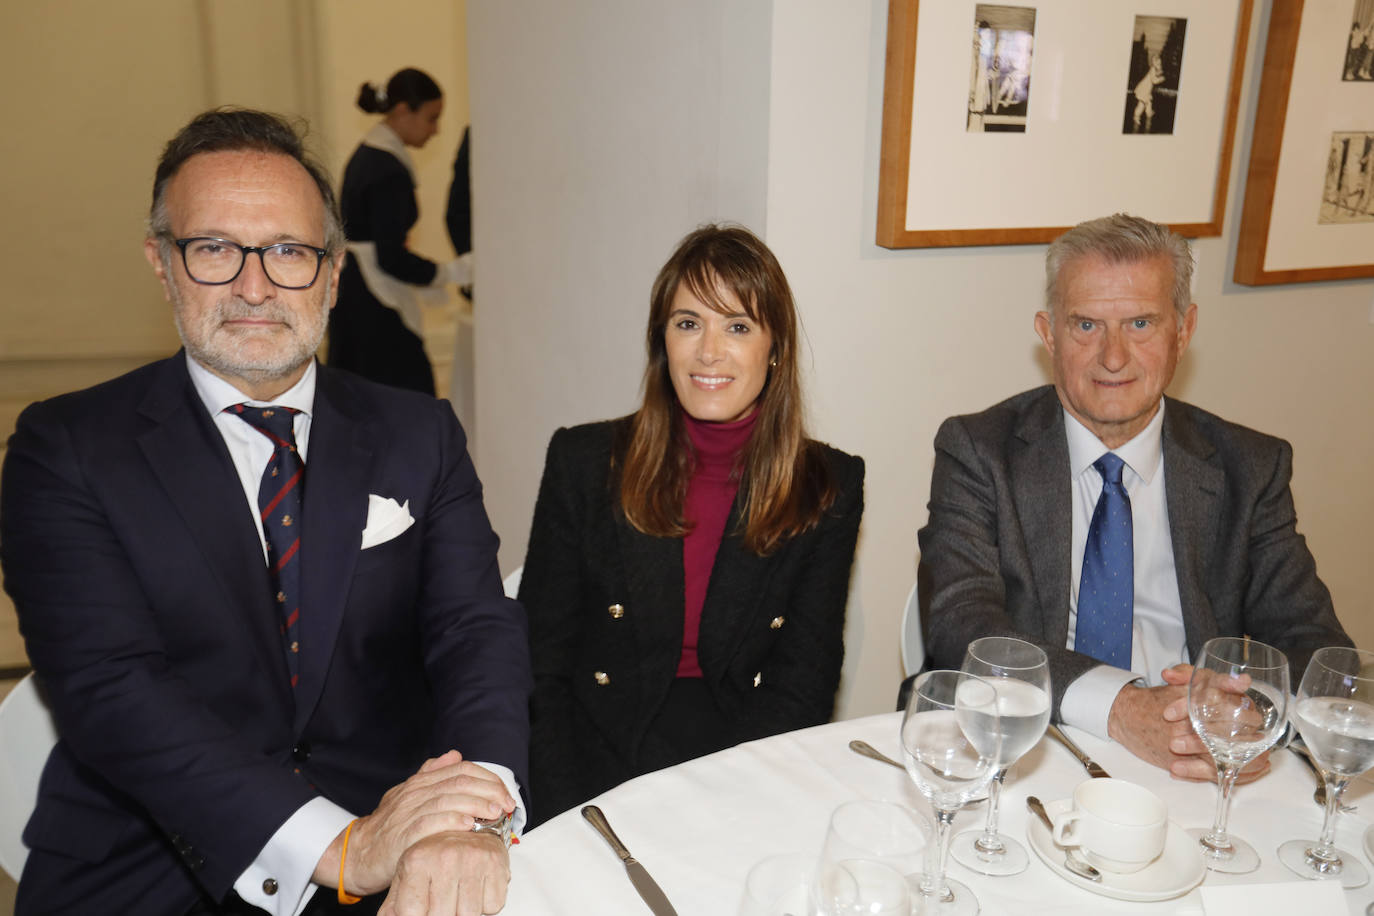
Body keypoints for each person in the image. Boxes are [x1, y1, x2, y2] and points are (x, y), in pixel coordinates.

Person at [0, 108, 531, 916]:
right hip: (150, 861)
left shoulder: (418, 432)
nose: (255, 287)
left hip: (389, 828)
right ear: (162, 261)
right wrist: (337, 847)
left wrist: (476, 812)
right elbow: (111, 685)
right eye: (214, 249)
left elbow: (473, 631)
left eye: (287, 251)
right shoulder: (65, 446)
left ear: (333, 270)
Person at [918, 213, 1350, 784]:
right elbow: (963, 627)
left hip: (1198, 758)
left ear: (1184, 330)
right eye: (1087, 326)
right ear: (1048, 333)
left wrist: (1243, 713)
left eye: (1141, 323)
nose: (1114, 358)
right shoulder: (979, 451)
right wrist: (1121, 707)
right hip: (1031, 746)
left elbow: (1316, 647)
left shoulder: (1251, 467)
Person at [520, 225, 864, 825]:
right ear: (662, 341)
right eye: (688, 323)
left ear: (773, 347)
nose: (709, 351)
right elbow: (538, 665)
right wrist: (566, 817)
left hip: (741, 756)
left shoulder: (827, 485)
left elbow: (803, 683)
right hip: (595, 750)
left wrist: (727, 806)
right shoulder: (584, 462)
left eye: (737, 326)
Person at [328, 68, 470, 395]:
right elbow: (390, 256)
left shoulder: (370, 155)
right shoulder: (386, 169)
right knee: (404, 396)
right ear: (403, 110)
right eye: (432, 118)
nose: (435, 130)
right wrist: (447, 273)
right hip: (373, 301)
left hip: (356, 291)